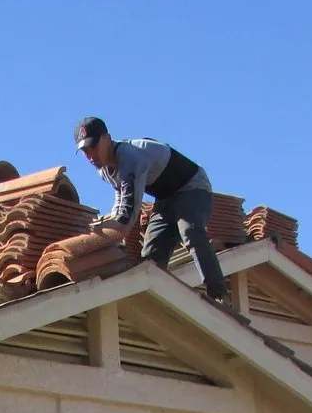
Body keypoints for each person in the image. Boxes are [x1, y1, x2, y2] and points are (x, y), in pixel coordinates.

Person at [73, 116, 228, 300]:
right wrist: (108, 221)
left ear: (107, 138)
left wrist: (104, 236)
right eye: (84, 150)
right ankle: (156, 302)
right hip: (164, 199)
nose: (90, 155)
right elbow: (120, 199)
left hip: (192, 188)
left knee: (190, 232)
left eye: (93, 146)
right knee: (151, 256)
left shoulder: (130, 158)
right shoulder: (104, 169)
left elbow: (128, 213)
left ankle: (218, 294)